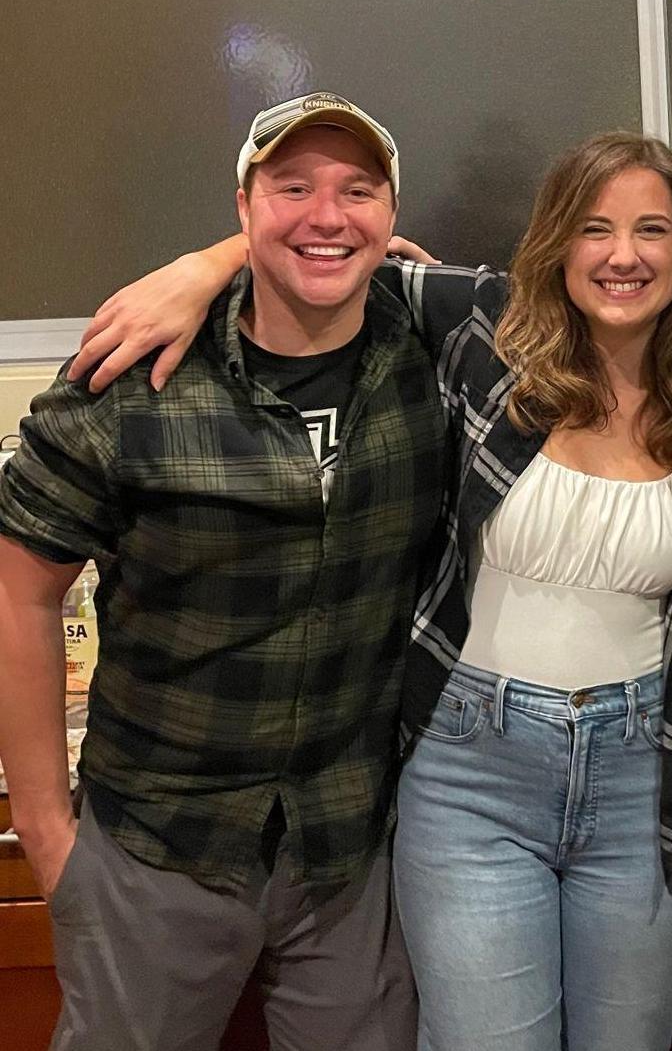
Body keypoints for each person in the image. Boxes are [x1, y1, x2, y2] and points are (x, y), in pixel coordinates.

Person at [65, 130, 672, 1051]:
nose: (623, 255)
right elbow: (322, 253)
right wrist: (200, 267)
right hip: (474, 765)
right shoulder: (486, 328)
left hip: (643, 769)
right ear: (555, 242)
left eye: (651, 229)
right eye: (594, 227)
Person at [0, 93, 446, 1049]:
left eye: (357, 191)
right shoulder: (134, 374)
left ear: (390, 215)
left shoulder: (433, 355)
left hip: (348, 856)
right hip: (156, 848)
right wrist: (49, 835)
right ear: (242, 207)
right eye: (293, 187)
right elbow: (19, 593)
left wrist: (215, 259)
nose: (327, 215)